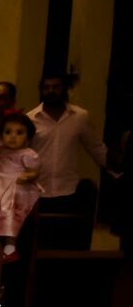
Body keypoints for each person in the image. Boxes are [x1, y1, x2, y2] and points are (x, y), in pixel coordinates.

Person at [28, 73, 108, 232]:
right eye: (46, 87)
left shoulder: (79, 117)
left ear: (64, 89)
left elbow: (95, 147)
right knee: (39, 239)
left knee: (64, 236)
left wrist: (117, 168)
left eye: (55, 87)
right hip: (37, 191)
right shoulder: (30, 119)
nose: (50, 91)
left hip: (68, 189)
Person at [0, 110, 42, 258]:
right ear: (1, 135)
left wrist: (27, 176)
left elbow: (34, 172)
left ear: (28, 136)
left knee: (10, 211)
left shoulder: (27, 154)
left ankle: (10, 244)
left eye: (19, 133)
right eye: (8, 132)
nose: (13, 136)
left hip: (16, 186)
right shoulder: (1, 148)